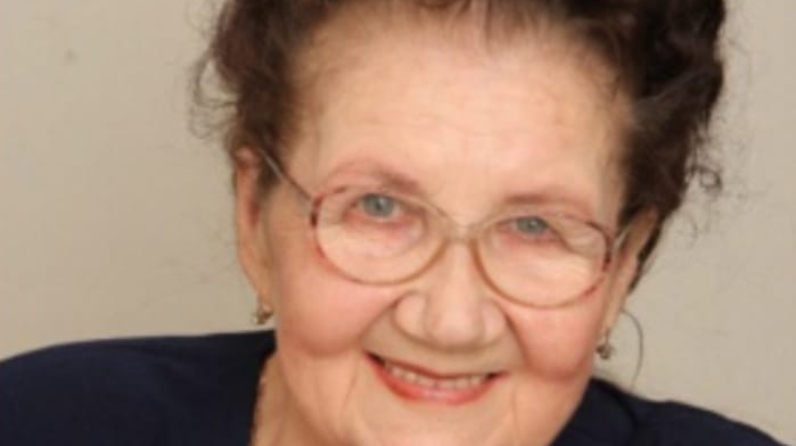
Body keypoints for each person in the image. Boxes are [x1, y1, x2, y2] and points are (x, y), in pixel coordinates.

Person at [0, 0, 788, 445]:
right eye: (379, 206)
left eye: (535, 227)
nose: (449, 321)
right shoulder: (37, 421)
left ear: (622, 266)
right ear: (253, 217)